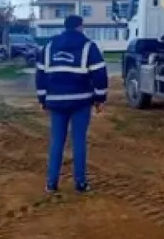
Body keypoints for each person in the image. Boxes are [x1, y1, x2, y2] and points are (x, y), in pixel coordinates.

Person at [35, 15, 108, 194]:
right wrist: (100, 98)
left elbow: (40, 75)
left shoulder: (49, 46)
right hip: (81, 101)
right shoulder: (89, 46)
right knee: (79, 141)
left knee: (57, 141)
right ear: (80, 27)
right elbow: (99, 74)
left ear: (65, 26)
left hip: (57, 102)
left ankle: (51, 184)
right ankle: (80, 183)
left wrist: (43, 99)